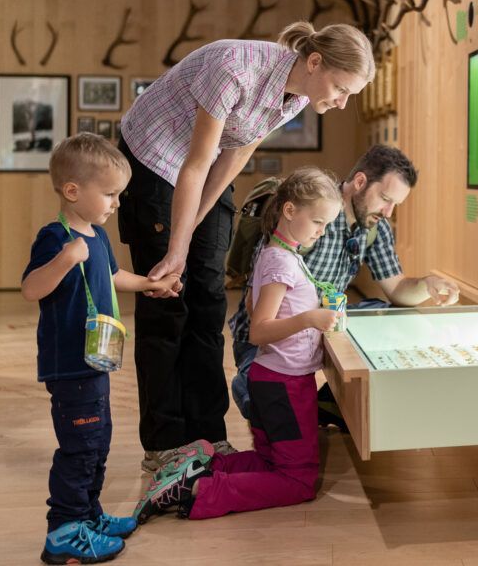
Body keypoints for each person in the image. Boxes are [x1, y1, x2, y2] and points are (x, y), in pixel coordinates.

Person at [116, 22, 374, 473]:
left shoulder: (295, 97)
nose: (341, 102)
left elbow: (234, 156)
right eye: (341, 89)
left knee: (208, 299)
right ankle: (164, 442)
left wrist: (194, 226)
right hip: (154, 160)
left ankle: (208, 434)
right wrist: (176, 246)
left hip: (204, 166)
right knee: (167, 299)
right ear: (315, 63)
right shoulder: (234, 69)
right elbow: (194, 165)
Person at [132, 166, 344, 522]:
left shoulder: (278, 253)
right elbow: (258, 330)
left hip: (275, 381)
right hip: (283, 385)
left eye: (327, 225)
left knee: (269, 461)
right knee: (299, 480)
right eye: (318, 222)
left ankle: (200, 466)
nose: (322, 232)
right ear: (290, 210)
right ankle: (199, 490)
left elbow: (251, 303)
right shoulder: (281, 262)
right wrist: (310, 318)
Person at [21, 134, 180, 564]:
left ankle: (88, 516)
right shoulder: (55, 238)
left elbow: (112, 277)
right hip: (69, 365)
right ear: (73, 191)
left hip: (96, 362)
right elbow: (31, 288)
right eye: (110, 194)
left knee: (97, 443)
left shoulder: (97, 236)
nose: (116, 203)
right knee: (79, 449)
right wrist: (64, 260)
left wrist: (150, 284)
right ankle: (63, 531)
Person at [228, 144, 460, 420]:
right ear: (360, 182)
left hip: (319, 328)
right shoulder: (312, 213)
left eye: (395, 205)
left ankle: (328, 403)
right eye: (385, 199)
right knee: (263, 405)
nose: (388, 212)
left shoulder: (375, 227)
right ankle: (257, 388)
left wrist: (427, 284)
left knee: (385, 313)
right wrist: (302, 324)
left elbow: (397, 289)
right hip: (271, 338)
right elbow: (254, 304)